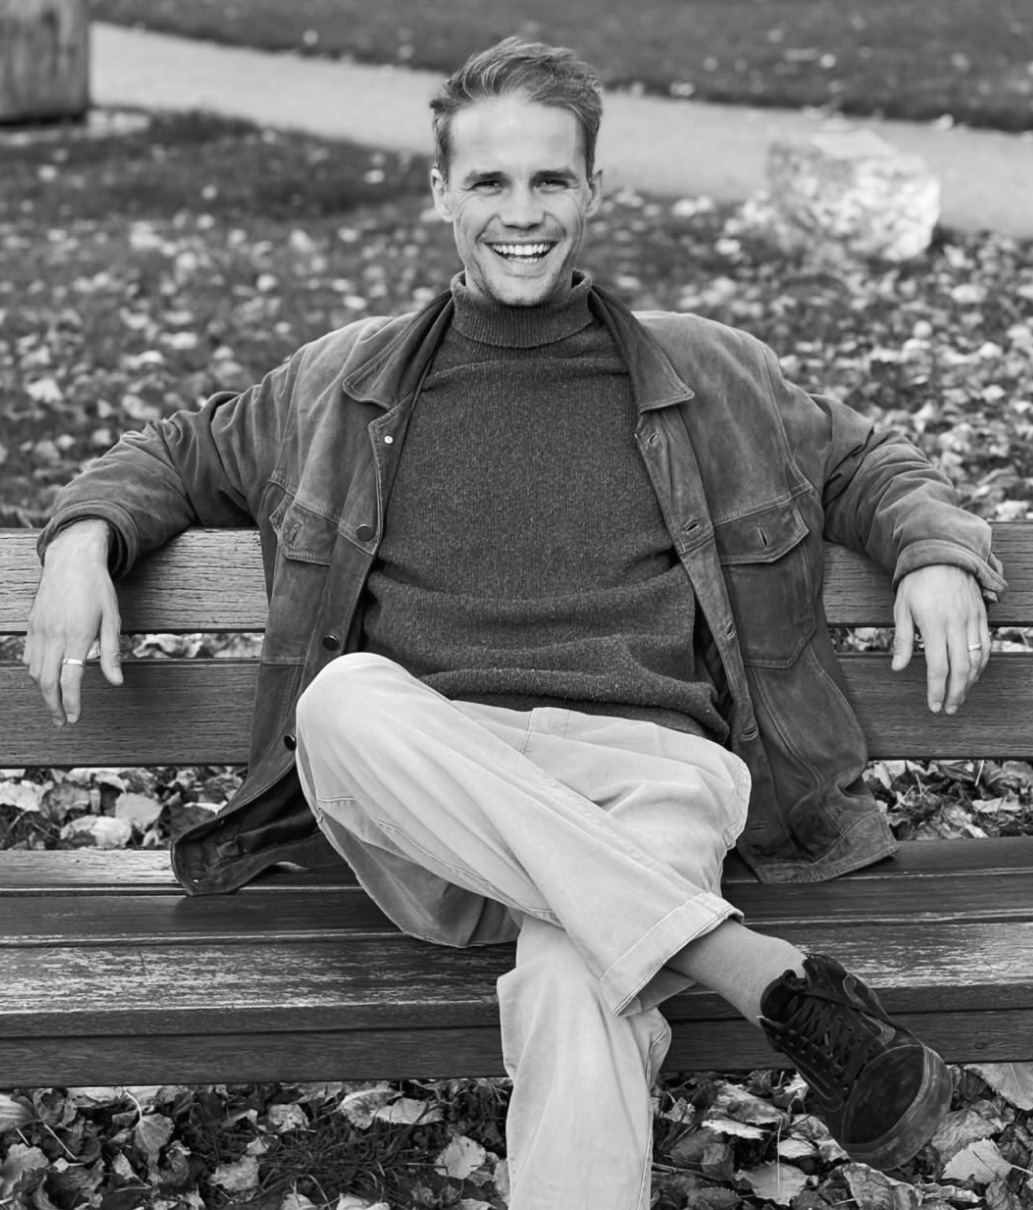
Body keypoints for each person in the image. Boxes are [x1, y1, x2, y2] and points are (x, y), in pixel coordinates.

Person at [25, 36, 1005, 1210]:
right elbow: (177, 452)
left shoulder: (707, 370)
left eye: (550, 179)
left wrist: (933, 551)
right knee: (340, 703)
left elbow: (865, 461)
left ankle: (708, 965)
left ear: (594, 190)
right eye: (489, 181)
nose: (522, 212)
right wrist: (83, 537)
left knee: (574, 981)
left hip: (648, 781)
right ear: (441, 191)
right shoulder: (344, 382)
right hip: (434, 812)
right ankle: (759, 973)